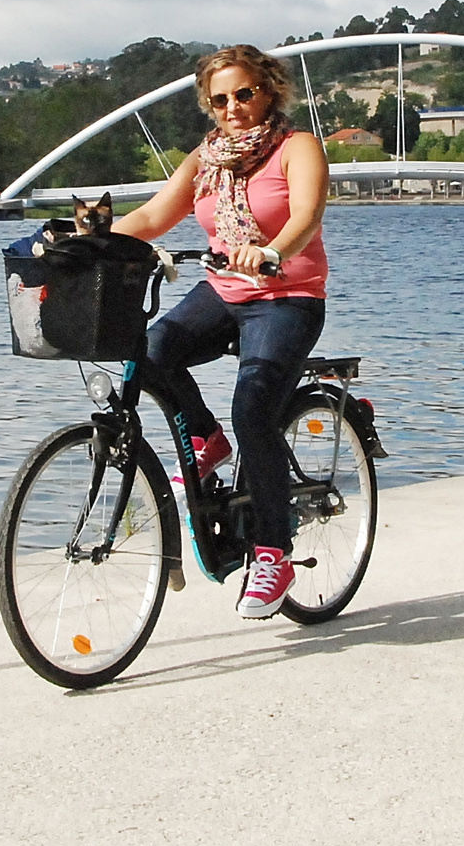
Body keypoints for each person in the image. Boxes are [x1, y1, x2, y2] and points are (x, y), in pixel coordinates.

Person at [114, 44, 329, 619]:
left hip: (286, 296)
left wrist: (272, 251)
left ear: (269, 89)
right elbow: (153, 218)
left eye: (244, 93)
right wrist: (88, 241)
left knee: (253, 404)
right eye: (220, 99)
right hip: (225, 290)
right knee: (152, 350)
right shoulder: (205, 159)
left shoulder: (296, 147)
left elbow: (307, 214)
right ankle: (205, 440)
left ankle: (272, 553)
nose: (233, 107)